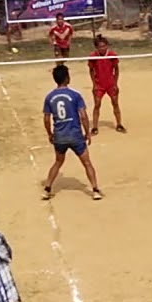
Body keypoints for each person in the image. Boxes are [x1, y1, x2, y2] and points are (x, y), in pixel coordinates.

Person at [42, 65, 103, 201]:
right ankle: (95, 190)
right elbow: (83, 115)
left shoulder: (49, 97)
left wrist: (50, 134)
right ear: (67, 78)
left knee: (58, 162)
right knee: (87, 163)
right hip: (75, 135)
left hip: (60, 135)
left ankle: (47, 189)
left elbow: (46, 118)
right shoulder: (75, 95)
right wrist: (87, 132)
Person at [87, 35, 125, 134]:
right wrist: (94, 84)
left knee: (115, 103)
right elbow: (91, 70)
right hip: (99, 85)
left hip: (110, 84)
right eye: (100, 47)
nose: (102, 48)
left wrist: (115, 83)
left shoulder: (112, 55)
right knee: (97, 104)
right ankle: (95, 127)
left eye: (104, 46)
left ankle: (119, 124)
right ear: (97, 47)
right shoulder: (93, 56)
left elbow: (116, 69)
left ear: (107, 46)